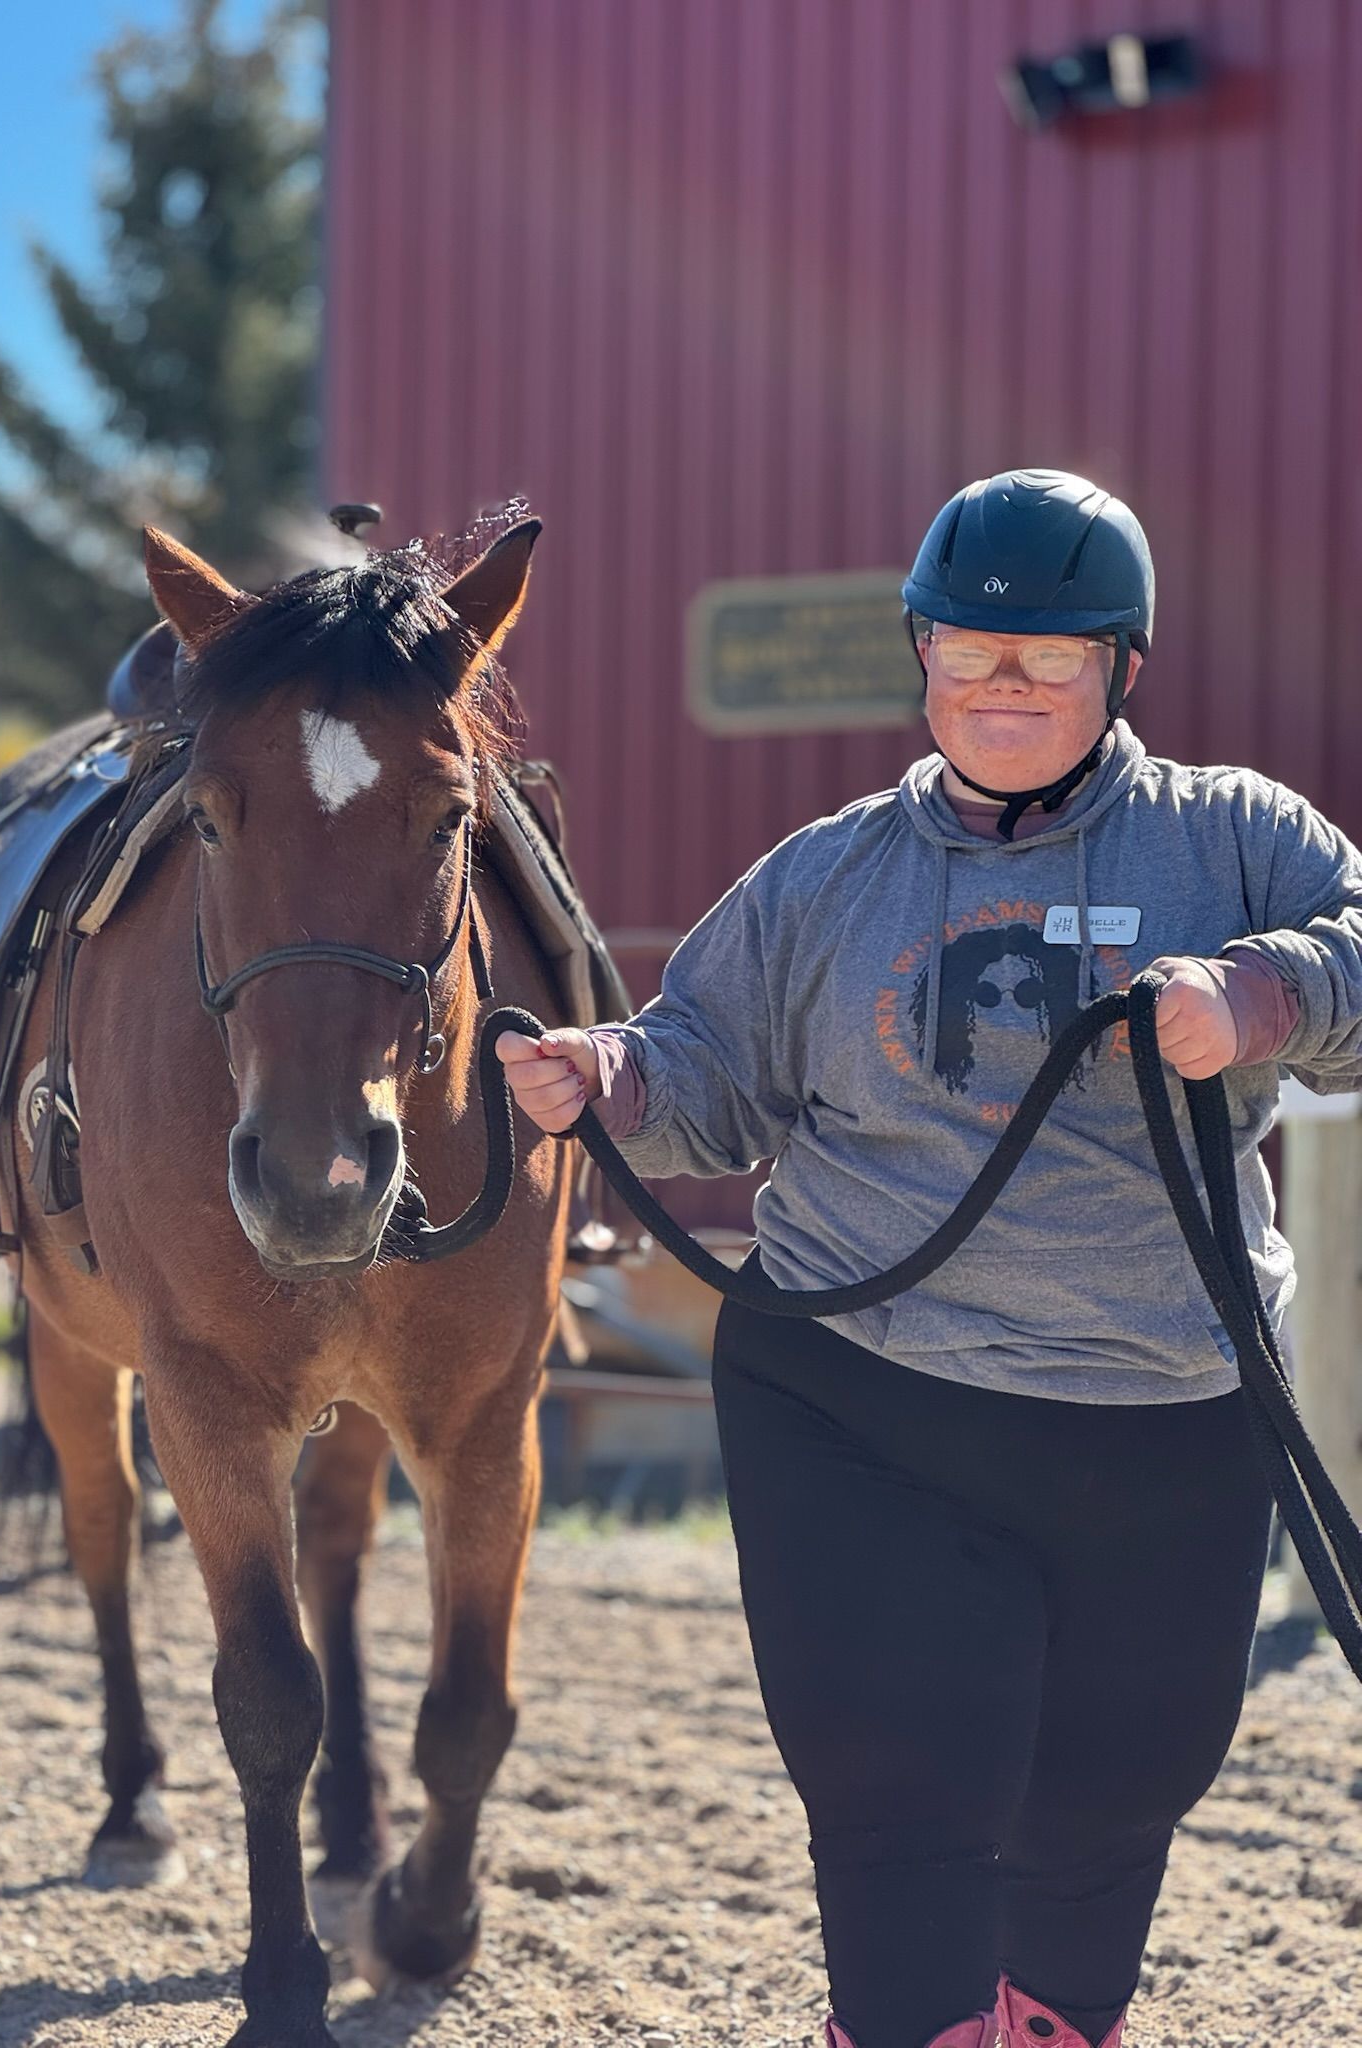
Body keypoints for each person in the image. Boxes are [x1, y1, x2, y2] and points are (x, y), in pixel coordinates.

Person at [495, 469, 1362, 2048]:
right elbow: (704, 1063)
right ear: (922, 658)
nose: (1004, 686)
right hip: (866, 1399)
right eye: (970, 654)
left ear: (1124, 669)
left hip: (1162, 1399)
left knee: (1124, 1782)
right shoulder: (826, 878)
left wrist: (1269, 999)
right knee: (902, 1778)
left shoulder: (1234, 839)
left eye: (1048, 659)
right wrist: (609, 1080)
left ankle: (1052, 2022)